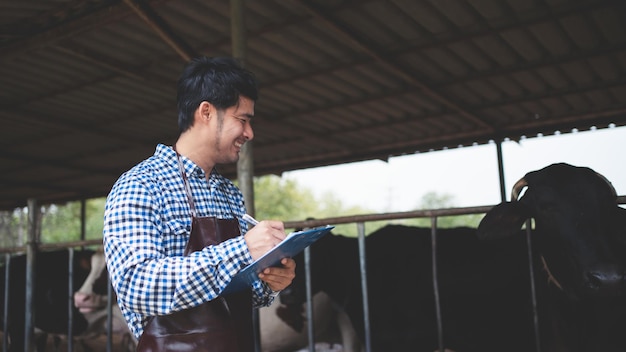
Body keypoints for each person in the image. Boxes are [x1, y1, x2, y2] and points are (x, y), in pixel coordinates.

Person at [103, 56, 296, 351]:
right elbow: (136, 288)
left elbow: (231, 292)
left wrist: (269, 282)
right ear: (206, 112)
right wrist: (243, 248)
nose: (249, 133)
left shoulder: (229, 194)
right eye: (242, 119)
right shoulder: (140, 184)